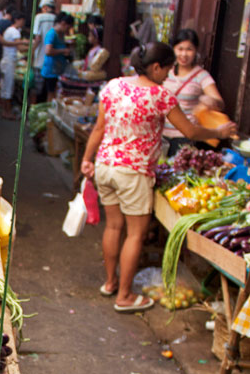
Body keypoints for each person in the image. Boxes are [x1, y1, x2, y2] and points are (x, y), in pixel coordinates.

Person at [81, 42, 235, 313]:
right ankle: (125, 296)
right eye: (168, 68)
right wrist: (220, 132)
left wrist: (87, 158)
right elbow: (189, 131)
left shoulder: (114, 85)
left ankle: (110, 283)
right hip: (134, 172)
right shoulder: (160, 96)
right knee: (135, 235)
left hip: (105, 165)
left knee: (113, 227)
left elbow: (98, 128)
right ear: (156, 67)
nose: (169, 74)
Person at [162, 28, 225, 156]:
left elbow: (220, 103)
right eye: (180, 49)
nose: (184, 54)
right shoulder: (165, 71)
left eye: (189, 49)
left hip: (184, 136)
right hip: (160, 134)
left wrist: (210, 101)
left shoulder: (201, 75)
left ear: (196, 51)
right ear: (174, 49)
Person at [40, 12, 74, 100]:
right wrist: (63, 51)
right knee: (51, 94)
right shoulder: (52, 34)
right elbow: (48, 51)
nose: (67, 30)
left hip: (57, 69)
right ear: (63, 23)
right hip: (51, 71)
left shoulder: (61, 35)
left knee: (55, 93)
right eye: (68, 27)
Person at [0, 12, 26, 119]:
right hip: (9, 62)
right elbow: (20, 48)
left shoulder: (8, 30)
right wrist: (32, 47)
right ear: (18, 20)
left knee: (4, 87)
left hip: (5, 60)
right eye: (22, 21)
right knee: (8, 88)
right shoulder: (15, 32)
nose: (23, 24)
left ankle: (5, 110)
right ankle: (7, 112)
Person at [32, 0, 56, 101]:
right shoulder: (56, 18)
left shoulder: (39, 17)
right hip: (52, 61)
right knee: (49, 91)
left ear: (44, 7)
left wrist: (31, 53)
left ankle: (32, 111)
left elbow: (37, 38)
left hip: (39, 59)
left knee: (36, 90)